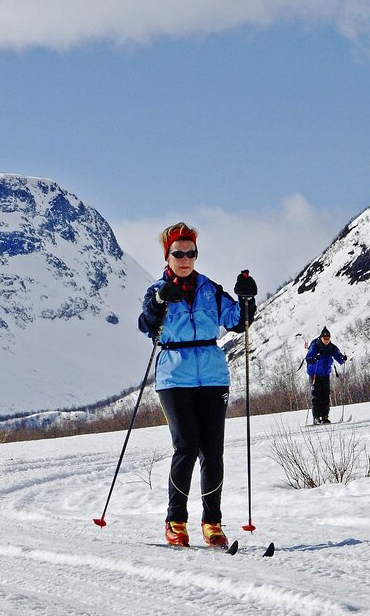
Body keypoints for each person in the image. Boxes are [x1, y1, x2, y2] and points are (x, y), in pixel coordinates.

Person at [138, 222, 255, 549]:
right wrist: (160, 300)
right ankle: (175, 521)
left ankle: (212, 523)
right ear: (168, 255)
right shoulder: (156, 289)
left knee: (213, 452)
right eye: (179, 253)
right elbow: (145, 324)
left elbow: (236, 321)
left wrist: (247, 300)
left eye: (191, 253)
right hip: (174, 376)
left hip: (213, 375)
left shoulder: (209, 288)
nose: (186, 258)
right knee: (187, 446)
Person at [305, 327, 347, 424]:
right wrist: (314, 358)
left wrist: (342, 358)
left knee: (326, 395)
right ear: (321, 338)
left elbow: (338, 355)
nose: (327, 341)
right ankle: (316, 417)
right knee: (316, 395)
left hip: (325, 374)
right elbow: (309, 357)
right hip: (314, 374)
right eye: (325, 339)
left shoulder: (331, 347)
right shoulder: (315, 345)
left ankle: (325, 416)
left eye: (328, 338)